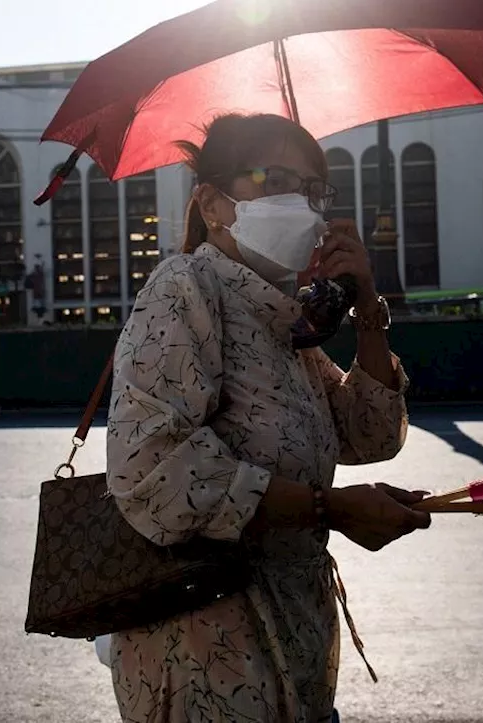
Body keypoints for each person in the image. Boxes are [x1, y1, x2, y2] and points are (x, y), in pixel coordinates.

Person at [104, 113, 431, 722]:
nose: (301, 204)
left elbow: (370, 434)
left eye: (312, 189)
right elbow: (154, 470)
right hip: (209, 647)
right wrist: (329, 507)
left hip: (296, 632)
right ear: (212, 203)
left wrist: (367, 309)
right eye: (273, 179)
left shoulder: (283, 316)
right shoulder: (186, 287)